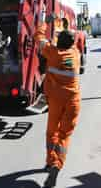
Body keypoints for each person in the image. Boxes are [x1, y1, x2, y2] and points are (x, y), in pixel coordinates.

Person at [34, 12, 81, 188]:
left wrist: (45, 23)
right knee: (64, 135)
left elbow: (38, 38)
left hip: (55, 101)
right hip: (73, 101)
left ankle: (50, 161)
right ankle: (56, 164)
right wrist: (64, 24)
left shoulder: (52, 53)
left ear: (58, 42)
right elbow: (69, 38)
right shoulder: (74, 54)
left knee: (51, 132)